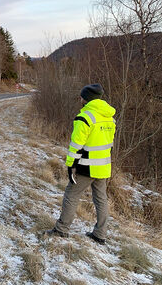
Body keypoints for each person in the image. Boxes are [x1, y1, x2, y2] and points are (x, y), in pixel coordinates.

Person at [46, 83, 116, 244]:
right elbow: (109, 144)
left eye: (82, 97)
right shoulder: (109, 117)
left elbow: (76, 146)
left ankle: (61, 229)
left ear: (86, 99)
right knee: (101, 199)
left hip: (86, 166)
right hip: (104, 166)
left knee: (71, 194)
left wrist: (71, 166)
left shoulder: (85, 118)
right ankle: (100, 234)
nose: (80, 99)